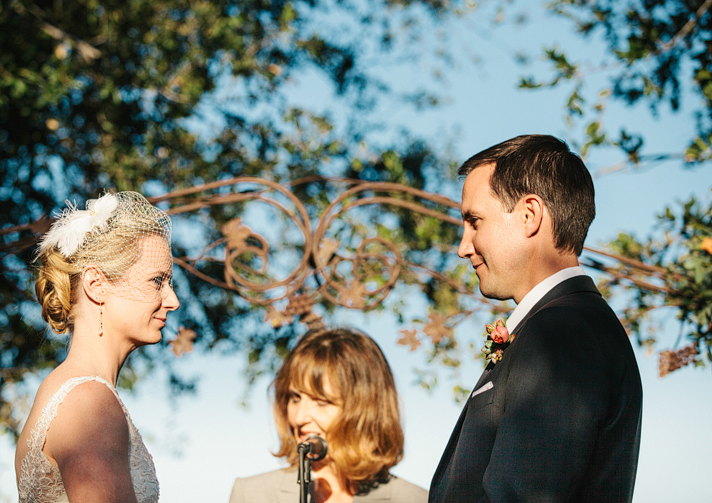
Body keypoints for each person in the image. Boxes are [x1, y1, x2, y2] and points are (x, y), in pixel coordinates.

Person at [429, 135, 643, 502]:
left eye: (474, 221)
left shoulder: (563, 334)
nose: (463, 247)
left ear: (530, 215)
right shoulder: (567, 325)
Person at [15, 191, 180, 503]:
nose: (173, 301)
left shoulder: (62, 390)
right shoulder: (88, 402)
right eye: (157, 281)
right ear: (96, 285)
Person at [229, 327, 428, 503]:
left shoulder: (418, 500)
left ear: (367, 409)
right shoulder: (251, 495)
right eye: (295, 398)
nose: (299, 418)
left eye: (322, 402)